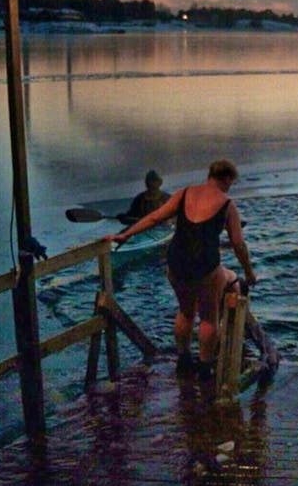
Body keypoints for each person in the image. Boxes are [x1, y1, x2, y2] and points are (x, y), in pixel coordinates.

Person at [105, 159, 257, 379]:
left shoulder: (184, 193)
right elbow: (238, 244)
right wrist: (249, 273)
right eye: (230, 183)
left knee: (185, 311)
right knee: (208, 317)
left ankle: (183, 360)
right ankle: (205, 367)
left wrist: (126, 234)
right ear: (226, 179)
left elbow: (155, 217)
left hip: (176, 260)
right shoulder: (227, 204)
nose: (229, 187)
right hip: (205, 263)